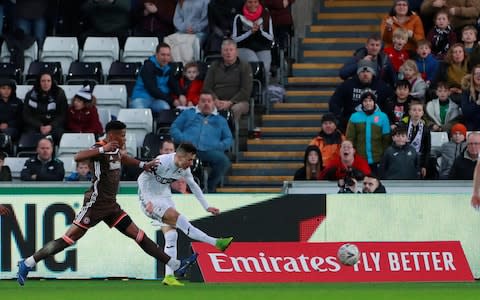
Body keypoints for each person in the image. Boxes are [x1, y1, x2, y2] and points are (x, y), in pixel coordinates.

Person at [16, 120, 198, 286]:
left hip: (111, 205)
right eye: (122, 135)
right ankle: (28, 262)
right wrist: (103, 149)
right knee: (68, 239)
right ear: (111, 135)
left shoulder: (115, 150)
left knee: (138, 235)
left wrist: (143, 165)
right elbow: (78, 157)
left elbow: (122, 158)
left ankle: (175, 264)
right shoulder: (100, 148)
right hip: (95, 204)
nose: (125, 138)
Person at [137, 142, 233, 286]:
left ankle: (169, 277)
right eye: (189, 159)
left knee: (171, 235)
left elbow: (193, 186)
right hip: (149, 199)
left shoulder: (184, 169)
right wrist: (148, 200)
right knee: (179, 220)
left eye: (193, 160)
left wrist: (206, 206)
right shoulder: (161, 162)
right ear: (180, 156)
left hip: (164, 197)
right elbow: (141, 179)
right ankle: (216, 242)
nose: (191, 163)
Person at [170, 92, 233, 193]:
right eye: (203, 101)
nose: (206, 104)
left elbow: (229, 138)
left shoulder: (220, 120)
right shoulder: (188, 113)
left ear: (213, 103)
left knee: (224, 161)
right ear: (198, 102)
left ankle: (209, 187)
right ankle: (180, 190)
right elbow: (174, 128)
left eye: (209, 101)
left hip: (210, 150)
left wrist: (218, 146)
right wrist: (183, 139)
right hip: (188, 149)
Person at [329, 59, 394, 131]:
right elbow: (334, 103)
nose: (365, 74)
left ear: (373, 73)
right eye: (362, 71)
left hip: (375, 125)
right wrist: (340, 120)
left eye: (368, 71)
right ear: (358, 73)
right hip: (351, 125)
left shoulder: (382, 86)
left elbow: (390, 105)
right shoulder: (347, 85)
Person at [203, 39, 253, 121]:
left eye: (231, 50)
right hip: (216, 101)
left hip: (238, 102)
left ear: (236, 52)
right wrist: (215, 100)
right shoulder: (214, 66)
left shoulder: (245, 66)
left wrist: (230, 102)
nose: (228, 53)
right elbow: (206, 87)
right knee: (204, 106)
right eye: (225, 50)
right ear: (221, 53)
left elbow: (246, 91)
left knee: (236, 109)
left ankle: (231, 132)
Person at [346, 90, 391, 173]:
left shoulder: (383, 116)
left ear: (374, 102)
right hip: (360, 159)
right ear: (362, 103)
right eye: (365, 101)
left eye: (370, 100)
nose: (368, 103)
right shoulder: (354, 117)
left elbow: (386, 139)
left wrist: (385, 157)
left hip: (378, 159)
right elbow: (350, 138)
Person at [131, 42, 181, 113]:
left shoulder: (169, 67)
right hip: (141, 98)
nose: (165, 58)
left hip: (157, 100)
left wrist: (180, 95)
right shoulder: (148, 66)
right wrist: (172, 100)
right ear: (156, 55)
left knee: (165, 109)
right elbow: (152, 89)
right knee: (139, 112)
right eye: (163, 55)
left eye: (168, 55)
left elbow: (174, 83)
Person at [232, 0, 274, 80]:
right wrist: (250, 32)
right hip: (244, 48)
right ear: (245, 3)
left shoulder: (266, 15)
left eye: (255, 2)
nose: (253, 5)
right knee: (255, 65)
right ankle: (251, 90)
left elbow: (270, 37)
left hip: (263, 47)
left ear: (259, 3)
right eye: (250, 2)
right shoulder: (239, 17)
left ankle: (264, 90)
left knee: (265, 69)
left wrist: (259, 31)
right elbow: (235, 39)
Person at [22, 72, 68, 144]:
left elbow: (63, 114)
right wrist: (39, 126)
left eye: (48, 81)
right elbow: (26, 115)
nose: (46, 83)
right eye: (43, 81)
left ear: (52, 82)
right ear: (39, 82)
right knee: (29, 135)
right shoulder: (30, 94)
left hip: (54, 125)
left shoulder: (59, 93)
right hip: (35, 126)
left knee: (59, 134)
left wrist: (51, 126)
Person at [401, 100, 431, 178]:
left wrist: (424, 165)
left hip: (418, 160)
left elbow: (427, 149)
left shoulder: (425, 128)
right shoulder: (402, 126)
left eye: (419, 110)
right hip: (403, 158)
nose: (417, 112)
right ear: (409, 112)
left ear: (422, 113)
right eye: (414, 110)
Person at [0, 78, 23, 144]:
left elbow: (20, 119)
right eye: (3, 88)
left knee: (9, 132)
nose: (6, 91)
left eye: (9, 88)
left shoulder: (18, 102)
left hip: (12, 129)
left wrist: (8, 124)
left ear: (12, 90)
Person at [460, 65, 480, 131]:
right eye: (476, 74)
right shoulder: (466, 92)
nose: (478, 76)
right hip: (472, 126)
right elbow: (465, 112)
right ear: (472, 76)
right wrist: (477, 103)